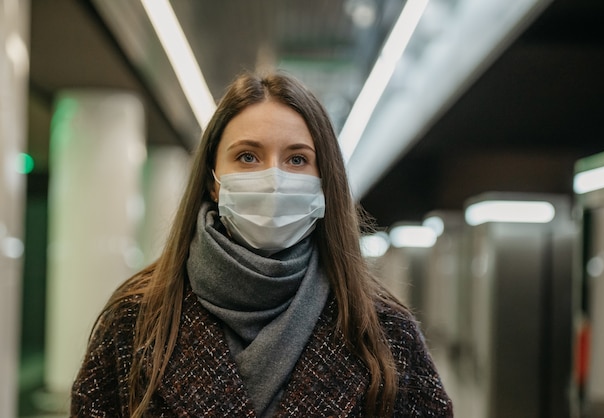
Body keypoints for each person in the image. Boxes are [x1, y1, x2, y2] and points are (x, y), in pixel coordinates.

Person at [71, 71, 453, 418]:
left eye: (298, 159)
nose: (273, 179)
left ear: (325, 182)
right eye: (248, 157)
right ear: (212, 180)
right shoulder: (135, 320)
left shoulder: (383, 332)